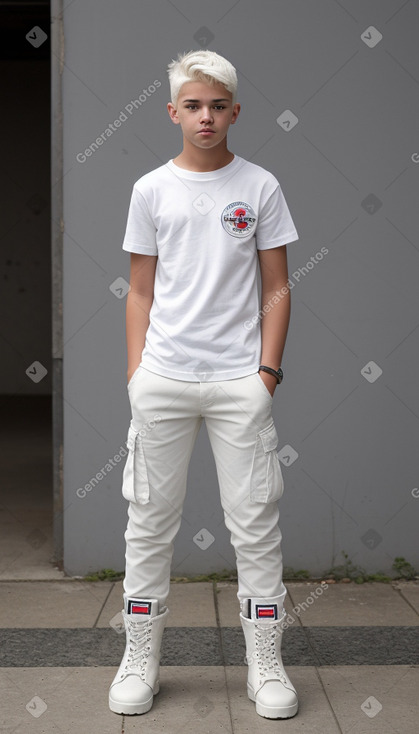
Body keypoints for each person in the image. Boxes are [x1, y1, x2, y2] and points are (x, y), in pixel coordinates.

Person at [109, 49, 299, 720]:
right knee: (148, 526)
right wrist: (138, 377)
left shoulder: (260, 187)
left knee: (255, 526)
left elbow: (276, 289)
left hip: (237, 383)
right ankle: (138, 660)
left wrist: (265, 375)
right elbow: (138, 292)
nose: (205, 116)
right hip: (161, 379)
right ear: (172, 112)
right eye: (192, 105)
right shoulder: (150, 190)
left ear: (235, 111)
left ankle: (266, 666)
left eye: (217, 105)